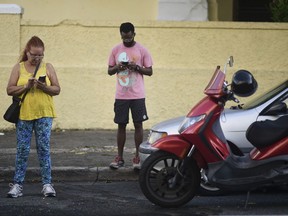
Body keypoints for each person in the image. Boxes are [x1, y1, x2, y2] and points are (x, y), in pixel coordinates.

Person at [6, 36, 61, 198]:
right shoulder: (19, 67)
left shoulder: (48, 67)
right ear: (27, 52)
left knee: (44, 148)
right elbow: (9, 89)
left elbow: (57, 89)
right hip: (24, 115)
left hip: (45, 114)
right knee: (22, 149)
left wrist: (44, 87)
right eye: (33, 55)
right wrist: (26, 86)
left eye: (40, 55)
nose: (37, 58)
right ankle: (17, 184)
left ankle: (47, 184)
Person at [107, 22, 153, 170]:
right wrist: (117, 67)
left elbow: (150, 71)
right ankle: (119, 157)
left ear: (134, 34)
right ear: (121, 35)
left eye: (129, 37)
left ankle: (137, 158)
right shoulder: (115, 49)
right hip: (121, 95)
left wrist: (137, 67)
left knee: (138, 125)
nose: (126, 40)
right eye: (124, 37)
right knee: (121, 125)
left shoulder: (142, 49)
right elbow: (109, 70)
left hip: (138, 95)